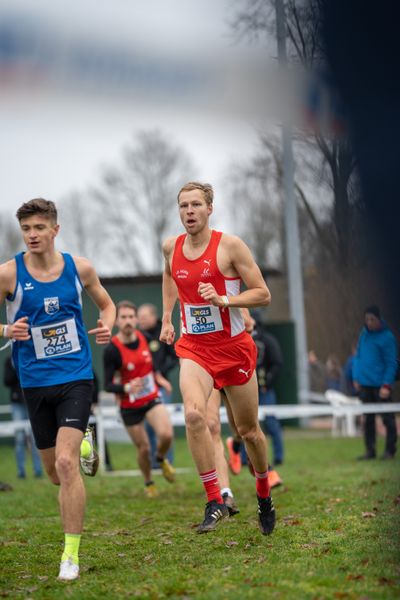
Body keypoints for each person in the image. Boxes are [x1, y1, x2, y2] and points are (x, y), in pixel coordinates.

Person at [0, 198, 116, 581]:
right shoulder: (8, 275)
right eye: (26, 229)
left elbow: (107, 304)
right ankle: (83, 439)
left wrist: (107, 324)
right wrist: (6, 330)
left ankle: (70, 554)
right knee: (53, 473)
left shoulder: (78, 269)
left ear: (55, 230)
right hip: (33, 383)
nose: (32, 235)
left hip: (75, 377)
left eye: (39, 228)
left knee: (67, 466)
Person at [160, 181, 275, 535]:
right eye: (183, 206)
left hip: (233, 347)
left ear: (210, 208)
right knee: (194, 415)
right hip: (194, 347)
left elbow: (263, 294)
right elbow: (169, 276)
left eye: (196, 205)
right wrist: (167, 317)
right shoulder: (171, 247)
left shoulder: (230, 246)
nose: (189, 211)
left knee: (248, 432)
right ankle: (214, 500)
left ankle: (263, 492)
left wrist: (226, 301)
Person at [103, 300, 176, 496]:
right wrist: (126, 387)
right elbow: (108, 385)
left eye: (131, 317)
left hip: (150, 396)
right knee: (143, 448)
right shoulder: (112, 349)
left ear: (136, 320)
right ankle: (148, 482)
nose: (128, 321)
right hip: (129, 404)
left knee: (166, 434)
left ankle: (160, 458)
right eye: (123, 317)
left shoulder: (145, 338)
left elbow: (151, 365)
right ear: (117, 321)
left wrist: (159, 378)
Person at [352, 305, 398, 460]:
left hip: (381, 386)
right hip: (365, 385)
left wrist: (386, 384)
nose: (369, 322)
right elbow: (358, 357)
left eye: (372, 319)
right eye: (367, 319)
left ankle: (390, 450)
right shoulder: (364, 334)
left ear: (379, 319)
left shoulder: (387, 337)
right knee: (368, 420)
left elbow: (391, 363)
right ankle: (370, 451)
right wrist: (356, 377)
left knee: (388, 419)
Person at [137, 303, 178, 466]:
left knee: (163, 427)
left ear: (154, 317)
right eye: (139, 318)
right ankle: (154, 463)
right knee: (148, 427)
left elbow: (175, 357)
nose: (141, 321)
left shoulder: (164, 333)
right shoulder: (137, 336)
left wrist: (160, 372)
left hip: (161, 388)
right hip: (144, 387)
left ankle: (167, 461)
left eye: (145, 317)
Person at [3, 355, 43, 479]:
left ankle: (38, 471)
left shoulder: (33, 356)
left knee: (36, 438)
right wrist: (17, 369)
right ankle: (21, 472)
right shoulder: (9, 360)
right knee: (19, 438)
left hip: (32, 400)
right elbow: (6, 381)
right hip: (17, 403)